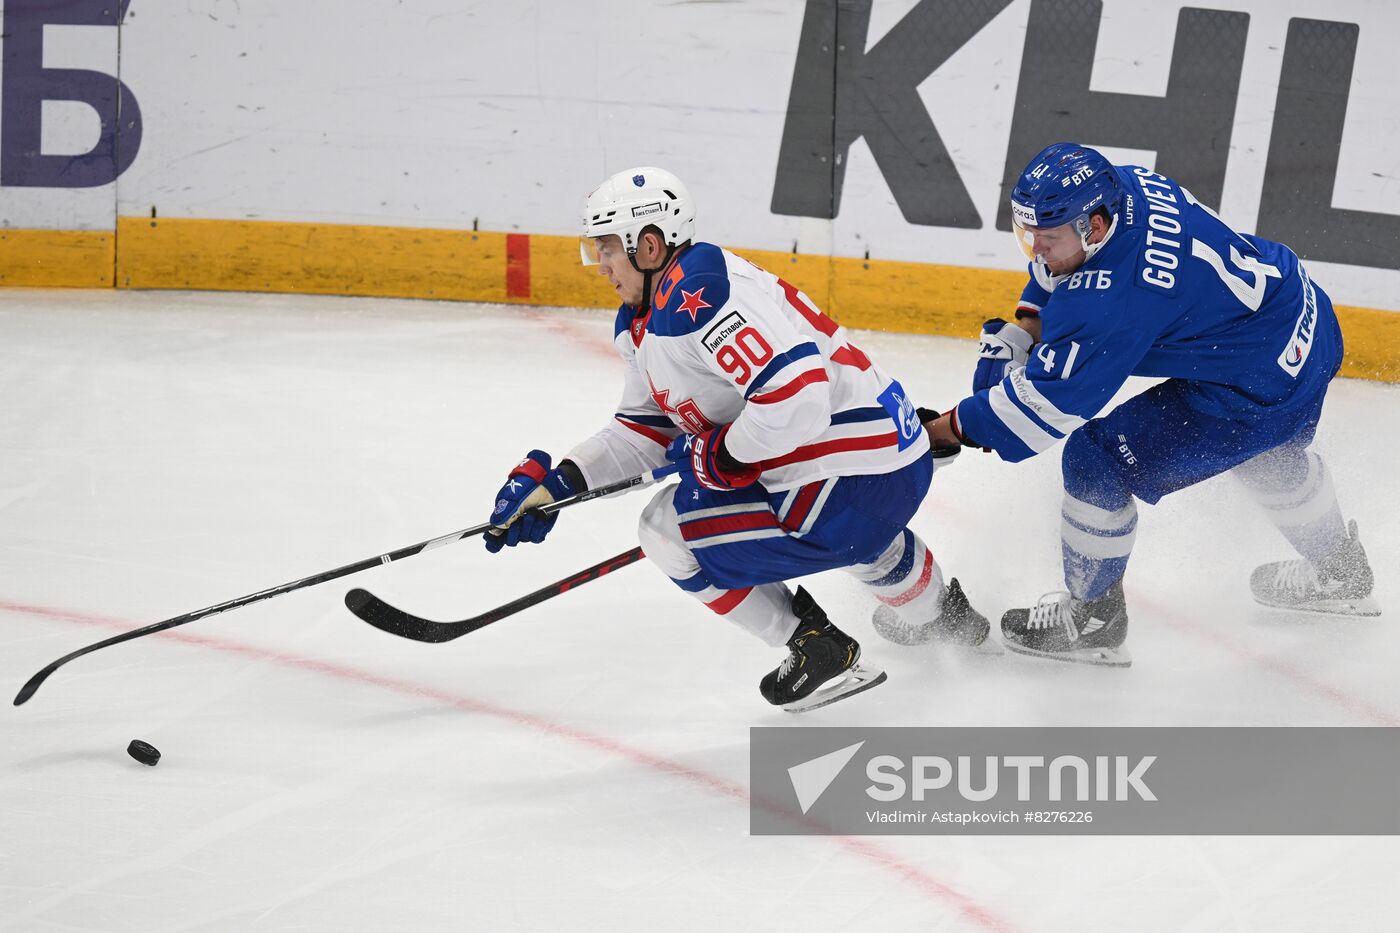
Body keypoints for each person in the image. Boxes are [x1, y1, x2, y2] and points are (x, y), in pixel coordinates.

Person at [482, 166, 988, 711]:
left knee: (664, 530)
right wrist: (562, 483)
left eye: (606, 248)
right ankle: (946, 619)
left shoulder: (697, 302)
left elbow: (796, 396)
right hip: (887, 458)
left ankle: (814, 648)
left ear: (648, 245)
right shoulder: (657, 309)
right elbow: (645, 427)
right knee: (854, 533)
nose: (598, 264)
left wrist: (722, 453)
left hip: (848, 485)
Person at [926, 142, 1379, 668]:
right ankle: (1342, 571)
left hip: (1261, 376)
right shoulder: (1125, 184)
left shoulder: (1115, 300)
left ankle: (1094, 619)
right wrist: (1030, 320)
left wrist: (948, 429)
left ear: (1094, 226)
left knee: (1095, 462)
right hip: (1306, 320)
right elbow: (1065, 270)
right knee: (1264, 451)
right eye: (1028, 235)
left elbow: (1046, 408)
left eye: (1047, 239)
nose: (1036, 251)